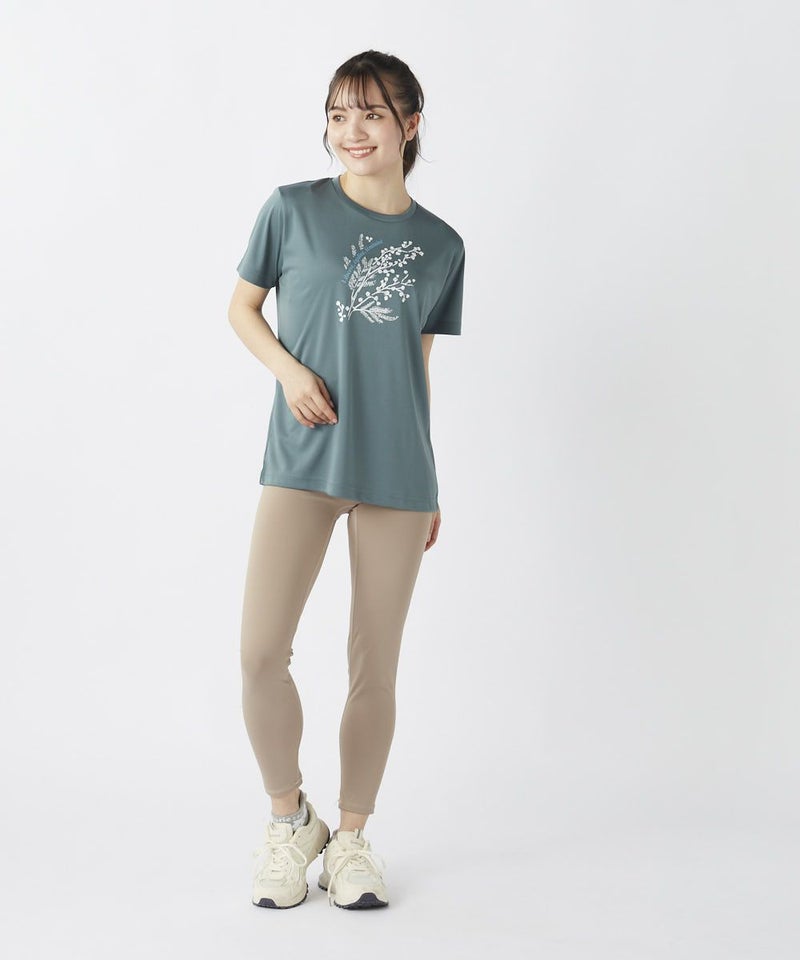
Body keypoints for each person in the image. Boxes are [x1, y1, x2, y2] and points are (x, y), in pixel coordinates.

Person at [227, 49, 465, 911]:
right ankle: (292, 821)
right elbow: (242, 309)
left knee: (375, 665)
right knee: (260, 653)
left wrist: (430, 479)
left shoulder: (443, 246)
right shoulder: (291, 210)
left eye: (370, 113)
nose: (351, 131)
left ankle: (354, 838)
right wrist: (290, 373)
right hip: (305, 457)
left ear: (410, 124)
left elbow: (416, 365)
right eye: (337, 114)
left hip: (398, 470)